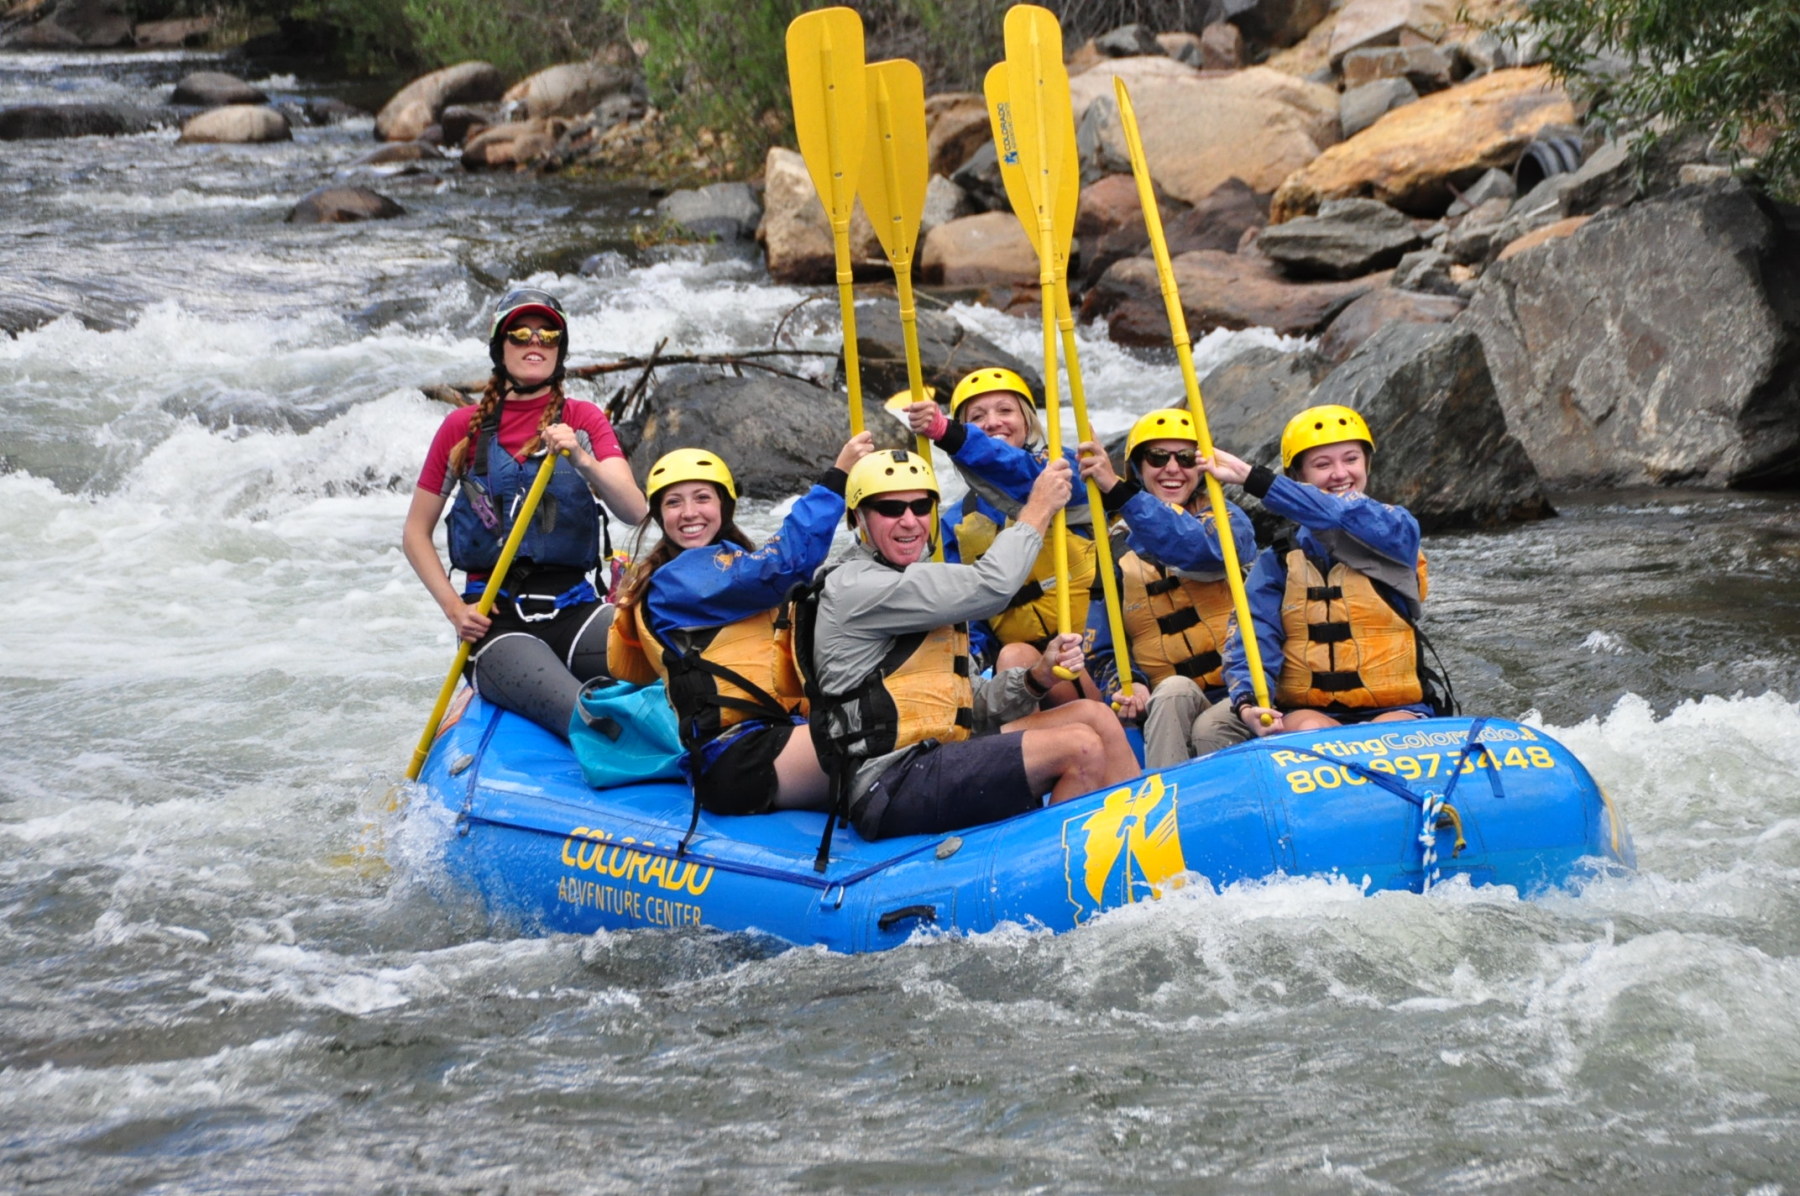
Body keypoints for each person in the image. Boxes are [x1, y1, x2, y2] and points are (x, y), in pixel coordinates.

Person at [803, 448, 1139, 843]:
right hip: (891, 779)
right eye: (890, 508)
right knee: (1079, 748)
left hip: (941, 752)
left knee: (1092, 717)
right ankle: (1051, 872)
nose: (909, 521)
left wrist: (1035, 678)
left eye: (919, 506)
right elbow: (992, 585)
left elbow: (964, 701)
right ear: (858, 518)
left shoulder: (914, 578)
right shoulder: (858, 585)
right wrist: (1039, 507)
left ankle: (1141, 837)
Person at [403, 287, 647, 739]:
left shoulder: (584, 419)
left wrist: (583, 460)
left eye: (548, 334)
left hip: (577, 610)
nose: (535, 343)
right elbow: (415, 534)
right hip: (497, 626)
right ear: (501, 348)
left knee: (671, 666)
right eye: (520, 333)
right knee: (590, 716)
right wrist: (455, 609)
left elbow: (634, 510)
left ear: (560, 349)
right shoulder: (461, 429)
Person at [606, 434, 872, 817]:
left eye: (702, 498)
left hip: (780, 733)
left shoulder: (737, 568)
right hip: (735, 757)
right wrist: (838, 476)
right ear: (660, 516)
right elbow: (785, 564)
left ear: (724, 506)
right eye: (673, 502)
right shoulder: (675, 584)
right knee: (880, 730)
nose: (689, 512)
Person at [1193, 404, 1441, 755]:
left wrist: (1254, 479)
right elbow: (1255, 635)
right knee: (1309, 730)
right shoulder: (1278, 560)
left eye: (1351, 459)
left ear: (1367, 465)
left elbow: (1341, 515)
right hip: (1312, 712)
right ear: (1297, 478)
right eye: (1323, 465)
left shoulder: (1396, 532)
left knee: (1388, 739)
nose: (1341, 474)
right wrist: (1249, 702)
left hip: (1396, 710)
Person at [903, 367, 1101, 701]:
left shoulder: (1060, 469)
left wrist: (948, 432)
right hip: (1026, 670)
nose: (993, 422)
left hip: (1095, 652)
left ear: (1027, 421)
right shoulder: (955, 522)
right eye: (977, 416)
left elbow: (1017, 472)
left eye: (1005, 410)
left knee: (1016, 661)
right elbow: (968, 614)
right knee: (1009, 661)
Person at [1075, 408, 1257, 769]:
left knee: (1207, 729)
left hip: (1245, 691)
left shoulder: (1228, 521)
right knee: (1171, 691)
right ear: (1138, 468)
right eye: (1158, 457)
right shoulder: (1113, 548)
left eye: (1186, 458)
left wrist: (1116, 490)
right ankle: (1165, 807)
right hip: (1166, 698)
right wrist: (1129, 684)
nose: (1173, 468)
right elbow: (1101, 646)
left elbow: (1194, 548)